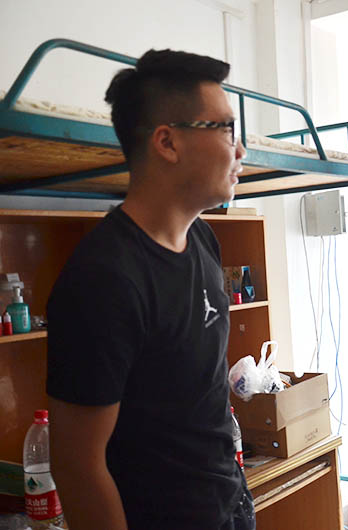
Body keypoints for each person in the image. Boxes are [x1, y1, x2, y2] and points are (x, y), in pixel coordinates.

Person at [46, 49, 254, 530]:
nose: (241, 150)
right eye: (227, 130)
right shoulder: (104, 278)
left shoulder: (203, 239)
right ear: (167, 142)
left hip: (228, 508)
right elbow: (77, 467)